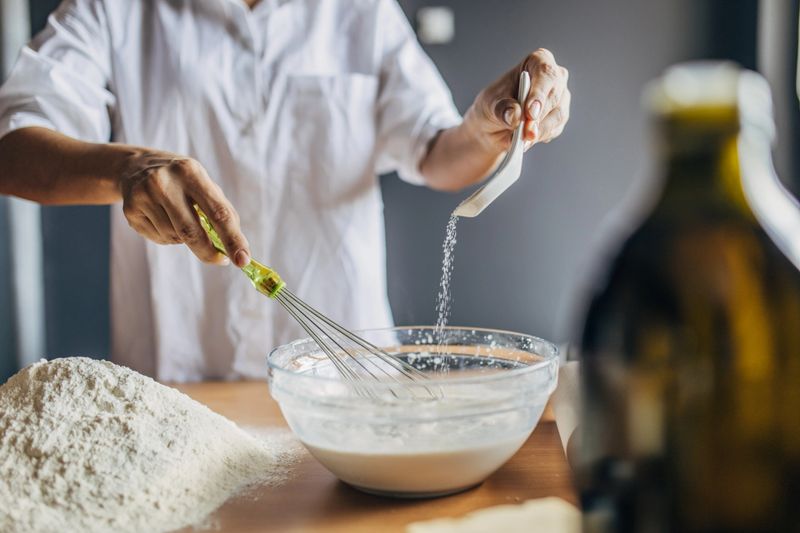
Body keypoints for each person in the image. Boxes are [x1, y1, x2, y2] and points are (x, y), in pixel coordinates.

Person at [0, 0, 570, 381]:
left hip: (346, 379)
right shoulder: (115, 10)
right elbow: (13, 150)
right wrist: (131, 169)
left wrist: (483, 127)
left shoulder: (360, 11)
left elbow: (436, 153)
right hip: (181, 383)